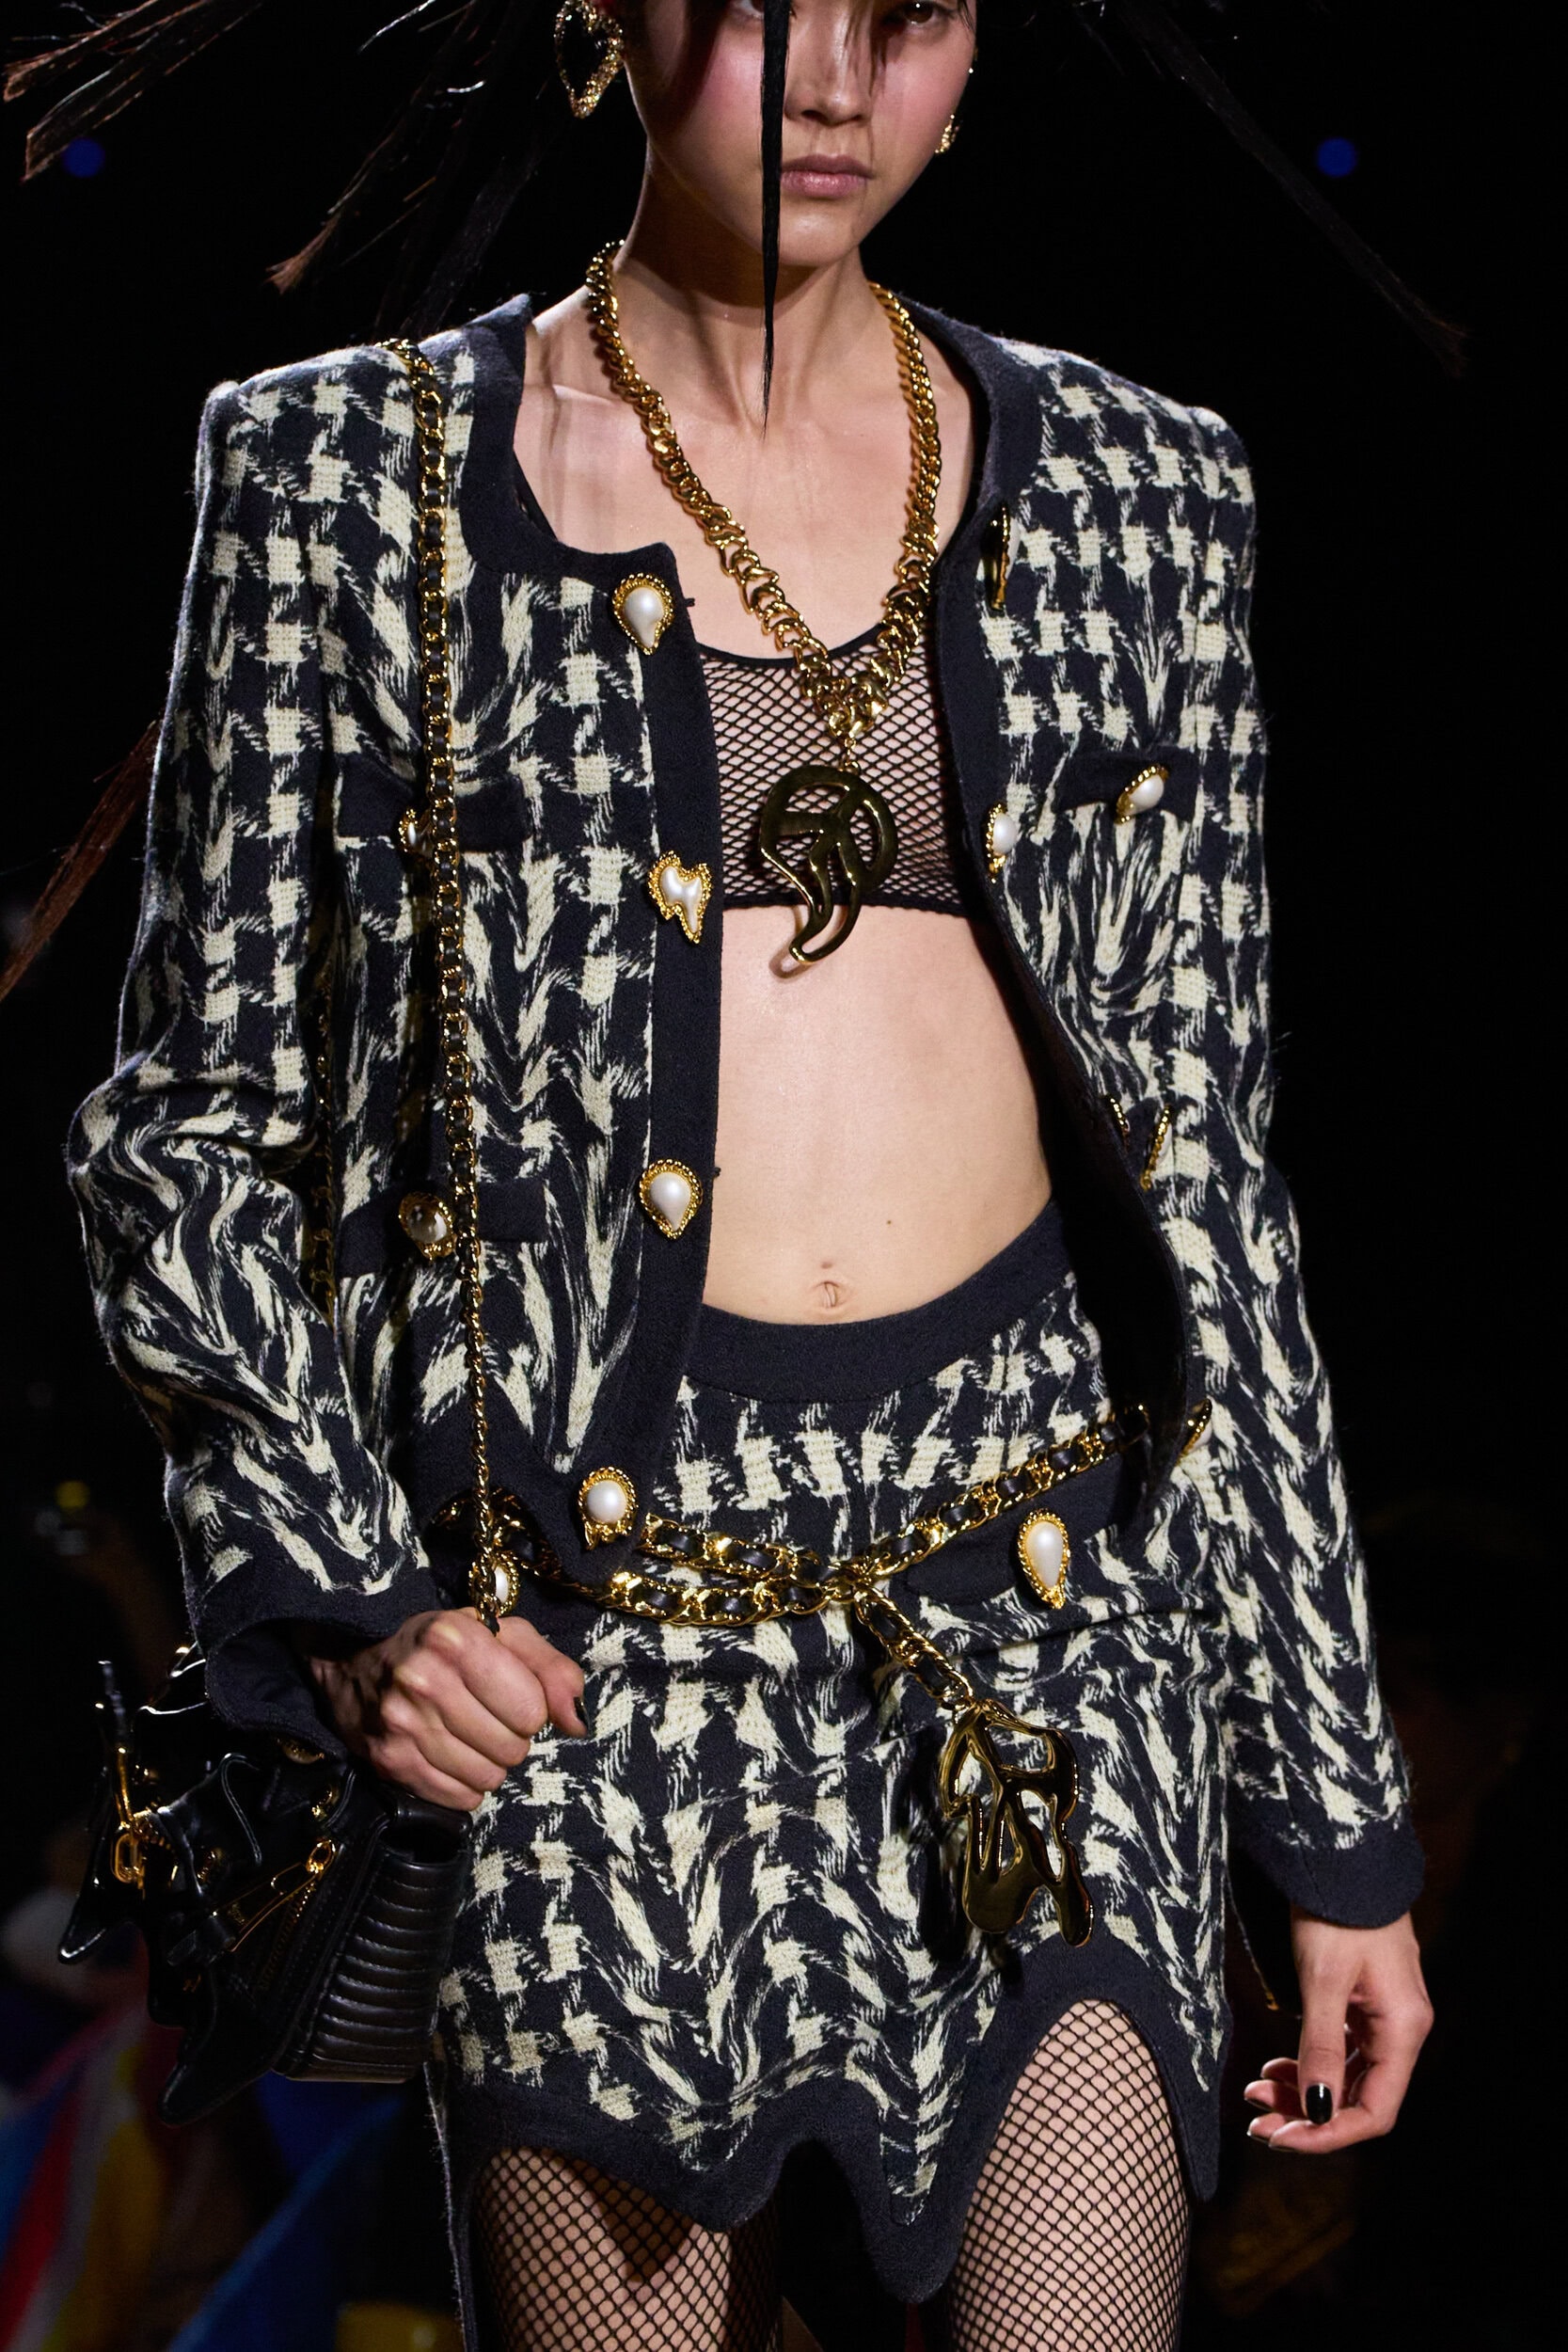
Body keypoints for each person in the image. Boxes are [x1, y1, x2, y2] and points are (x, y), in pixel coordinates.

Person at [40, 0, 1434, 2344]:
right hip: (596, 1665)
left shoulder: (1143, 490)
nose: (833, 85)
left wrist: (1334, 1816)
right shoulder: (349, 476)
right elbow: (184, 1134)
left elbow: (1214, 1183)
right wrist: (358, 1596)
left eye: (910, 17)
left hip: (1040, 1624)